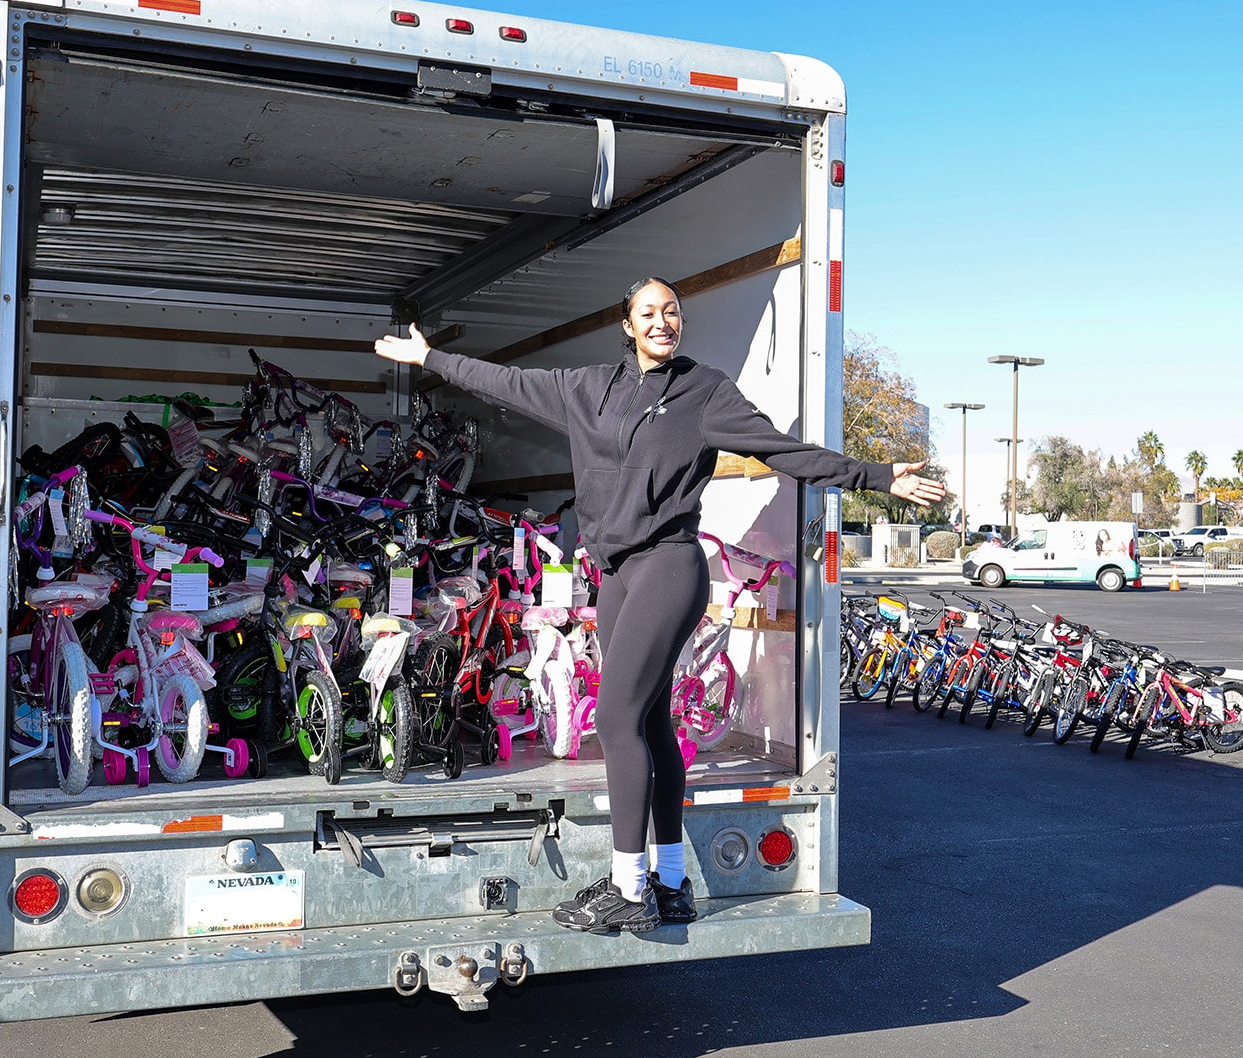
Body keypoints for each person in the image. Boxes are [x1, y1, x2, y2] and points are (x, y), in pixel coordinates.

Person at [375, 277, 944, 934]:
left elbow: (782, 449)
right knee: (647, 725)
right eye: (648, 312)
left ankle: (628, 885)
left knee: (615, 717)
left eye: (672, 311)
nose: (662, 321)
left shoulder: (703, 392)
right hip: (615, 573)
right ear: (628, 322)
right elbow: (508, 382)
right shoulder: (587, 388)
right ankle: (670, 880)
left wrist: (877, 474)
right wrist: (431, 360)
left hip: (669, 567)